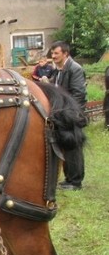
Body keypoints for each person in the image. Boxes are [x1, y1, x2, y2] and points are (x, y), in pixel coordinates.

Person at [50, 40, 87, 190]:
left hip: (71, 115)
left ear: (66, 53)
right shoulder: (58, 70)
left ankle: (75, 182)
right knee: (65, 146)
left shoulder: (75, 69)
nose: (53, 56)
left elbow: (79, 95)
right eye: (52, 53)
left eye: (56, 53)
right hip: (61, 114)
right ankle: (68, 179)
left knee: (73, 148)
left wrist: (68, 114)